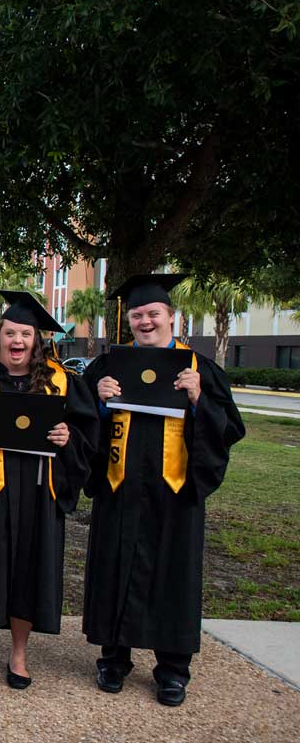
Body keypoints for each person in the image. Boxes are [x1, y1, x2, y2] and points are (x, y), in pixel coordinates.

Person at [83, 274, 244, 706]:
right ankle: (113, 659)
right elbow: (79, 422)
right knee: (116, 568)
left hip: (174, 494)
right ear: (128, 321)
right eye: (137, 315)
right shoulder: (107, 367)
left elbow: (229, 429)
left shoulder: (199, 370)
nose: (145, 321)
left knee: (173, 577)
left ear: (172, 317)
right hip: (120, 489)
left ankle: (173, 669)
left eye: (153, 314)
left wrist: (199, 402)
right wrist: (98, 400)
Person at [0, 291, 98, 688]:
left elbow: (88, 433)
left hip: (39, 491)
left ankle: (18, 655)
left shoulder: (61, 381)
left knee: (29, 571)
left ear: (37, 341)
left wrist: (68, 436)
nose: (17, 341)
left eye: (26, 334)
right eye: (10, 333)